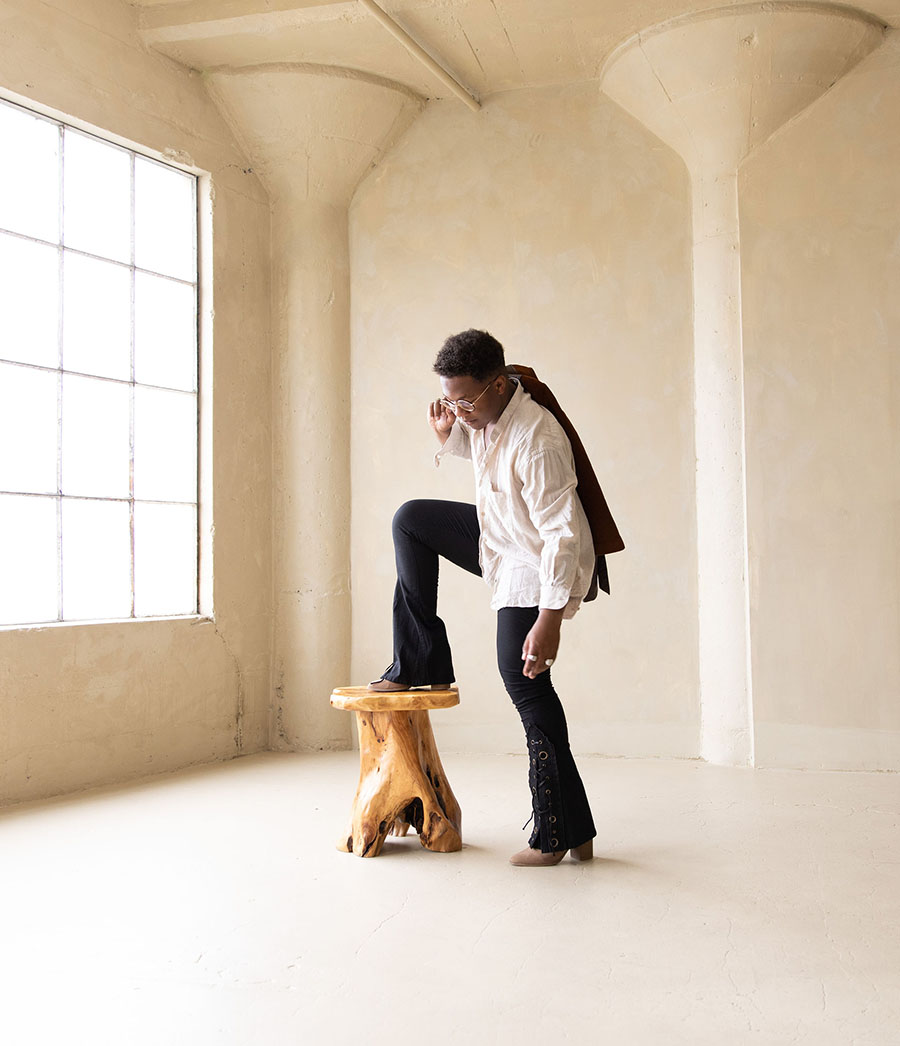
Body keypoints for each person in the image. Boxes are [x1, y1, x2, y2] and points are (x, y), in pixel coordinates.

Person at [369, 329, 605, 867]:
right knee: (411, 520)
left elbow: (561, 535)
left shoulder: (538, 441)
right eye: (450, 401)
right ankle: (419, 662)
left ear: (499, 385)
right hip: (501, 537)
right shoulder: (484, 414)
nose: (459, 411)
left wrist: (549, 619)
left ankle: (557, 831)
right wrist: (450, 435)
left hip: (535, 558)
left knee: (524, 682)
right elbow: (490, 460)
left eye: (465, 402)